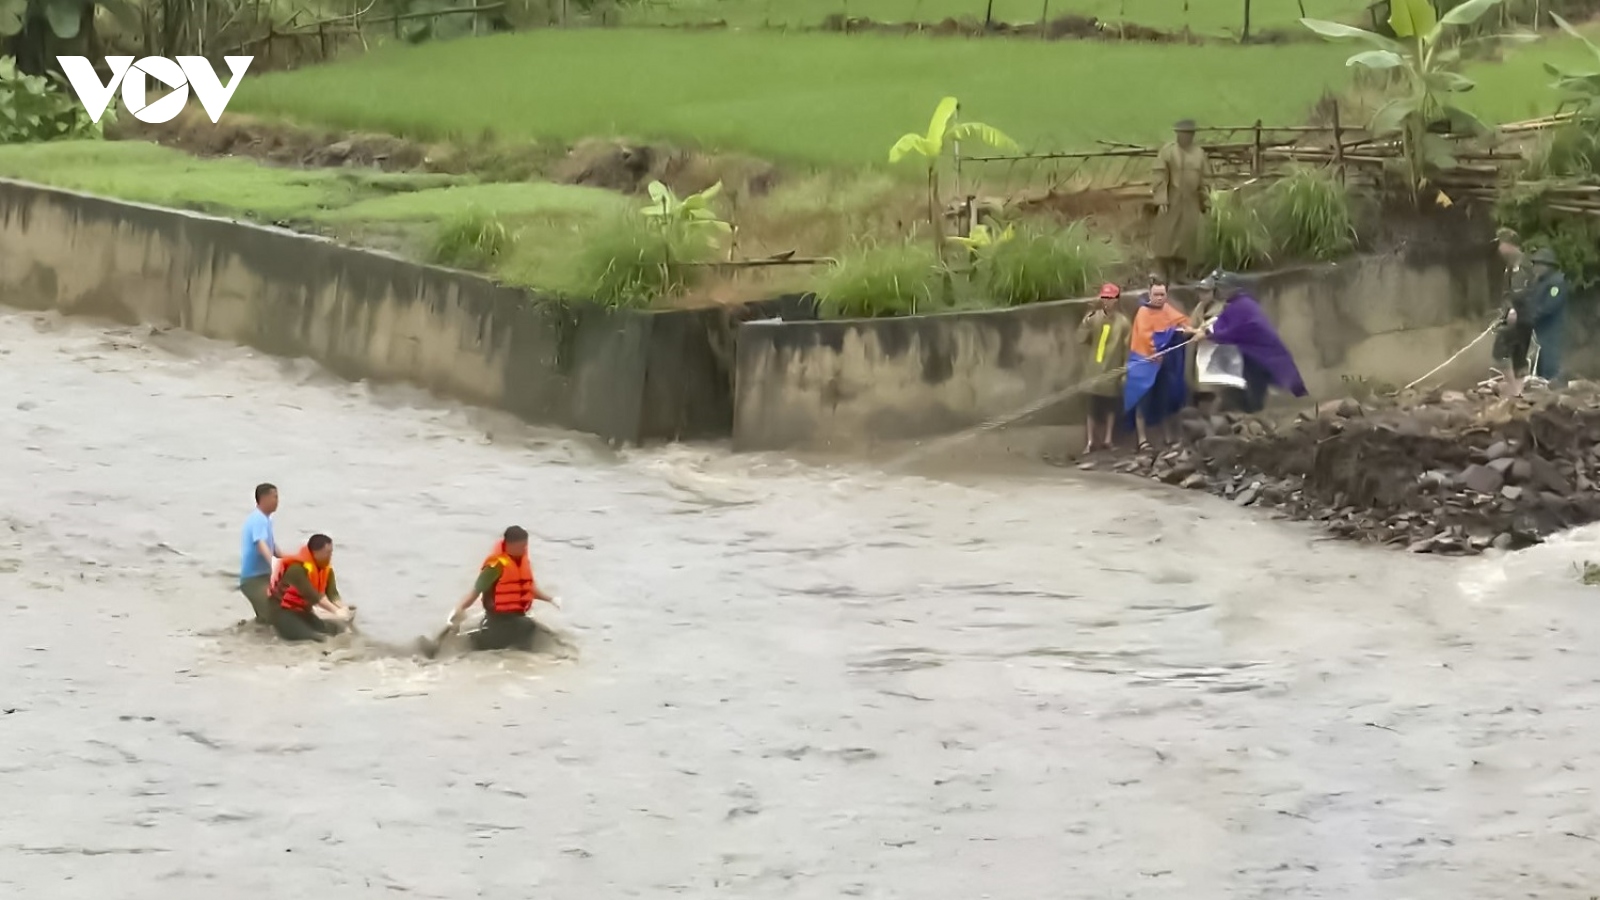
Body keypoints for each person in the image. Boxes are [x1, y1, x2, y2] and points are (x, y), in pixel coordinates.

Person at [1194, 272, 1307, 413]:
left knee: (1258, 382)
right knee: (1252, 381)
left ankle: (1258, 412)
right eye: (1220, 287)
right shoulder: (1234, 305)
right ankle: (1252, 410)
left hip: (1262, 351)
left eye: (1224, 287)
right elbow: (1222, 323)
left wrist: (1209, 335)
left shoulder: (1243, 305)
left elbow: (1235, 330)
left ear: (1234, 288)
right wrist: (1206, 332)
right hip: (1249, 352)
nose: (1221, 290)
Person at [446, 526, 560, 652]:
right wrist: (459, 608)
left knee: (530, 627)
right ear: (509, 545)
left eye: (525, 546)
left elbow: (528, 589)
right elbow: (475, 592)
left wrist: (551, 599)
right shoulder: (495, 567)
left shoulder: (522, 561)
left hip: (518, 617)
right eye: (521, 547)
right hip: (497, 619)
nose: (524, 550)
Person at [1123, 281, 1194, 452]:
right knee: (1142, 398)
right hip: (1144, 361)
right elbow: (1146, 336)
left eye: (1162, 294)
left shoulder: (1167, 309)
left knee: (1165, 398)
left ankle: (1168, 436)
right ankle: (1142, 439)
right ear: (1150, 294)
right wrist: (1155, 351)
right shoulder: (1143, 312)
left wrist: (1190, 330)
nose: (1159, 298)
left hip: (1163, 364)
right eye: (1156, 294)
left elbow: (1182, 321)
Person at [1151, 119, 1209, 285]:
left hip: (1191, 202)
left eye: (1188, 134)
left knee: (1186, 238)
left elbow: (1204, 180)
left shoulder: (1199, 154)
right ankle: (1161, 270)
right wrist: (1161, 198)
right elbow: (1159, 174)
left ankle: (1181, 273)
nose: (1185, 137)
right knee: (1166, 235)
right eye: (1182, 133)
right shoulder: (1168, 152)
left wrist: (1206, 202)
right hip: (1171, 200)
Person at [1076, 282, 1132, 453]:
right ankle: (1091, 441)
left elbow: (1127, 349)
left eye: (1110, 298)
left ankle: (1108, 439)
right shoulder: (1094, 318)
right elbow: (1080, 338)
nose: (1107, 301)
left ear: (1117, 300)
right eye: (1104, 298)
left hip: (1112, 370)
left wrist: (1124, 371)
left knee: (1111, 406)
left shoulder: (1123, 323)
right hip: (1094, 370)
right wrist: (1086, 320)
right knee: (1092, 407)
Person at [269, 534, 354, 643]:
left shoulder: (326, 569)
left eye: (331, 552)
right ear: (315, 552)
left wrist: (343, 608)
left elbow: (332, 594)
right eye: (327, 553)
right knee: (315, 638)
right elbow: (313, 596)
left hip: (304, 612)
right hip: (283, 612)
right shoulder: (297, 568)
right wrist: (336, 611)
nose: (330, 556)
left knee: (330, 630)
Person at [239, 482, 294, 625]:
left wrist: (288, 561)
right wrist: (274, 563)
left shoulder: (267, 519)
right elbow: (260, 544)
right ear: (263, 499)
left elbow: (272, 545)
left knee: (283, 604)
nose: (277, 501)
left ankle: (254, 630)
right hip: (253, 580)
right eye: (274, 497)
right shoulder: (258, 519)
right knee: (273, 617)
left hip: (265, 576)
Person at [1491, 228, 1534, 397]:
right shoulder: (1509, 269)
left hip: (1525, 318)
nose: (1500, 249)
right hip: (1512, 317)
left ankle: (1517, 391)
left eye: (1502, 244)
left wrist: (1518, 309)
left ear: (1510, 245)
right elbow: (1506, 293)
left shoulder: (1527, 267)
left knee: (1517, 355)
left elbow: (1530, 293)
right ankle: (1515, 390)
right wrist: (1507, 309)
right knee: (1501, 353)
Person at [1185, 271, 1228, 413]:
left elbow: (1219, 329)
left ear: (1213, 292)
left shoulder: (1222, 308)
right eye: (1200, 292)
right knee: (1198, 390)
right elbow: (1192, 325)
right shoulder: (1199, 308)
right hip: (1199, 354)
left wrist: (1204, 333)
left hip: (1215, 353)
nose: (1202, 295)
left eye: (1205, 292)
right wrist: (1189, 331)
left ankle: (1214, 418)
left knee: (1215, 391)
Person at [1527, 247, 1570, 386]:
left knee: (1549, 360)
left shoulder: (1556, 283)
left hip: (1551, 328)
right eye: (1534, 264)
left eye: (1539, 264)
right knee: (1538, 360)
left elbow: (1550, 306)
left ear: (1549, 265)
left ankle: (1553, 387)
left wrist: (1532, 316)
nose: (1536, 268)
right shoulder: (1538, 282)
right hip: (1539, 329)